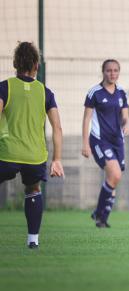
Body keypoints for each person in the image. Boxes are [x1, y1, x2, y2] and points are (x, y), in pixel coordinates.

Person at [0, 42, 64, 249]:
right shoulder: (46, 93)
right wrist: (57, 159)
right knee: (33, 190)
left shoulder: (4, 87)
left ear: (15, 63)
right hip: (34, 156)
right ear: (37, 65)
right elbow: (57, 128)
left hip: (7, 154)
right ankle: (33, 240)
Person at [82, 59, 129, 228]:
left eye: (116, 70)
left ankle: (101, 217)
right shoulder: (94, 93)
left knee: (114, 179)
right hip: (99, 140)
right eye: (109, 70)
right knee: (115, 175)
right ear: (103, 72)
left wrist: (128, 124)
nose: (112, 73)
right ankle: (99, 211)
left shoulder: (122, 92)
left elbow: (125, 115)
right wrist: (85, 144)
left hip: (118, 141)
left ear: (119, 72)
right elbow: (86, 118)